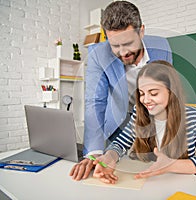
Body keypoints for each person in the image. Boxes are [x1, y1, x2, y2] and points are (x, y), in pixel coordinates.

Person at [70, 1, 172, 180]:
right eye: (115, 45)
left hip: (154, 124)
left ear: (141, 31)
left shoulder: (162, 47)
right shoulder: (99, 54)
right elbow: (95, 101)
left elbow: (168, 90)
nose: (122, 52)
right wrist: (93, 153)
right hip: (119, 121)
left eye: (128, 43)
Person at [92, 61, 196, 184]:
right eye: (142, 93)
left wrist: (171, 165)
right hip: (145, 182)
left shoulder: (192, 117)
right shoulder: (139, 113)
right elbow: (120, 144)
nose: (146, 100)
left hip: (176, 184)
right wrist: (110, 157)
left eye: (153, 93)